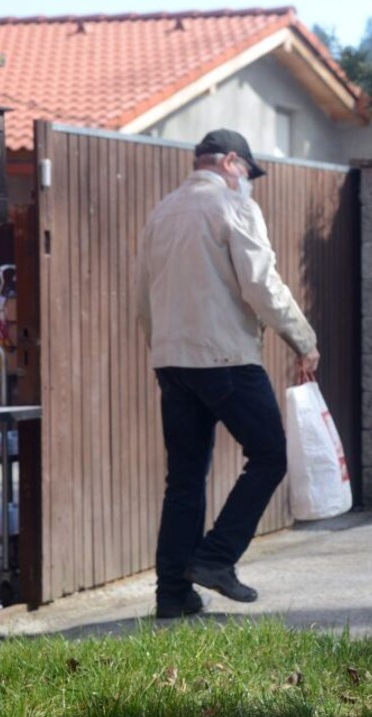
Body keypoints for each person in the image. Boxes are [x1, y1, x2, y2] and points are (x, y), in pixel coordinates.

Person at [136, 129, 321, 619]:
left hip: (173, 361)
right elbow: (260, 284)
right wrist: (302, 339)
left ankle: (172, 595)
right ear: (232, 162)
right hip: (226, 358)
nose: (250, 184)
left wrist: (161, 352)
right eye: (249, 174)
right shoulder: (233, 206)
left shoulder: (162, 211)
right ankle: (216, 558)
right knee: (269, 455)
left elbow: (143, 293)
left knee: (185, 479)